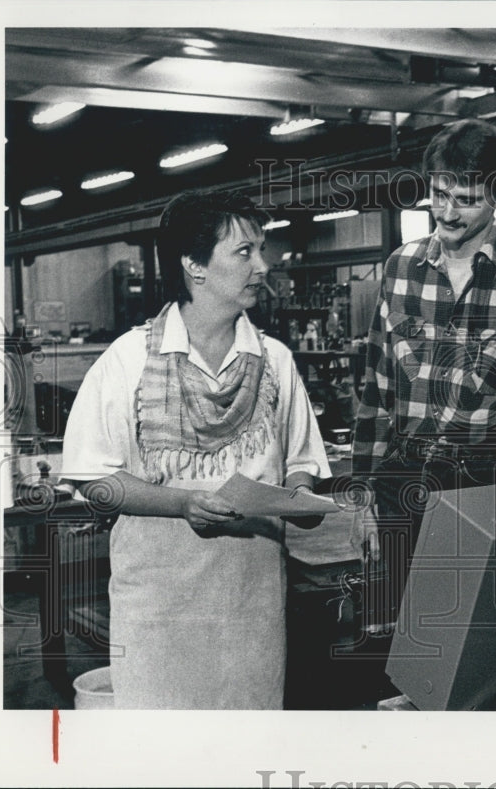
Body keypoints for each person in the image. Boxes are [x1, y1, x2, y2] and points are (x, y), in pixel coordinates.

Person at [61, 189, 331, 709]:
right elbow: (94, 477)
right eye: (244, 251)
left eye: (261, 249)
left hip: (251, 598)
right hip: (160, 603)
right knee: (164, 747)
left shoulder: (274, 360)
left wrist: (299, 499)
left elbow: (301, 462)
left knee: (246, 739)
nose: (261, 265)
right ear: (194, 266)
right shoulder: (129, 359)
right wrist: (182, 503)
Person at [351, 118, 496, 635]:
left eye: (466, 199)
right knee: (396, 643)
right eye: (439, 195)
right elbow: (377, 386)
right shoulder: (400, 267)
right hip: (403, 483)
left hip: (484, 487)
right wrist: (365, 493)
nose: (448, 213)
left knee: (470, 648)